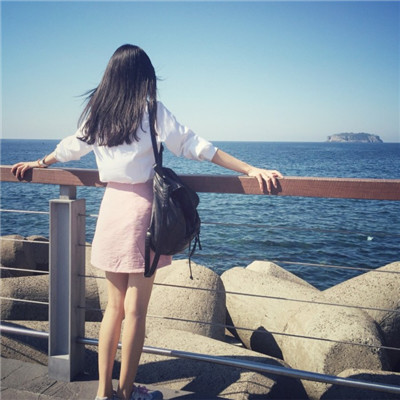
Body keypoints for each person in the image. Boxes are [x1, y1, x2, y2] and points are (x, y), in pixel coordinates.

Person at [11, 44, 283, 400]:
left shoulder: (97, 113)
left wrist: (40, 162)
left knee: (113, 309)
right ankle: (126, 393)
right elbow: (195, 145)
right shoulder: (150, 110)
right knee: (136, 312)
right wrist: (249, 169)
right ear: (143, 77)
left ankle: (103, 393)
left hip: (111, 210)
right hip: (144, 214)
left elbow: (70, 148)